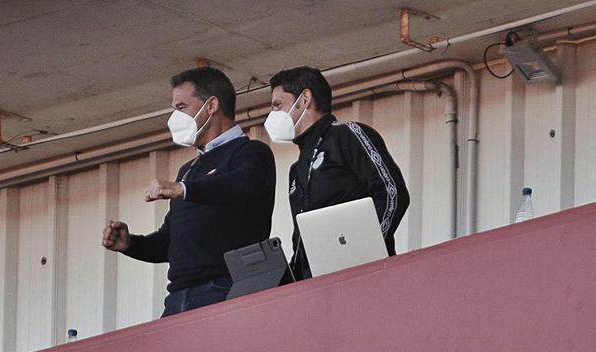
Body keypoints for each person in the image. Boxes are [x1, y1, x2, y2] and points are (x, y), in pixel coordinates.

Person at [102, 67, 275, 317]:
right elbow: (171, 242)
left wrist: (184, 189)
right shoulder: (189, 170)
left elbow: (240, 185)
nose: (174, 117)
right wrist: (131, 244)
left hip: (225, 287)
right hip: (177, 297)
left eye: (181, 107)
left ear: (211, 105)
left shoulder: (250, 153)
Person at [264, 66, 410, 281]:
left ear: (305, 99)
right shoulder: (296, 170)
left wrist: (361, 253)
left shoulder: (347, 134)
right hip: (316, 288)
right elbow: (302, 238)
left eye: (278, 105)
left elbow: (392, 193)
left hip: (364, 277)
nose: (273, 115)